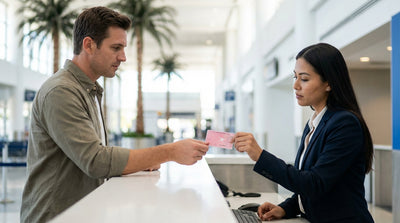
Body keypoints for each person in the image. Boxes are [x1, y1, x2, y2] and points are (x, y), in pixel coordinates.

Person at [20, 6, 209, 223]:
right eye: (116, 47)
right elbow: (96, 161)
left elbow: (97, 155)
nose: (123, 57)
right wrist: (171, 151)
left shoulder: (87, 89)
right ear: (89, 45)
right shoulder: (61, 91)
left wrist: (139, 161)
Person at [233, 43, 374, 223]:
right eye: (295, 77)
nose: (295, 85)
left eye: (304, 79)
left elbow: (315, 184)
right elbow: (311, 185)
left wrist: (260, 156)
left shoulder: (345, 123)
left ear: (329, 83)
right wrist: (285, 208)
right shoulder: (315, 122)